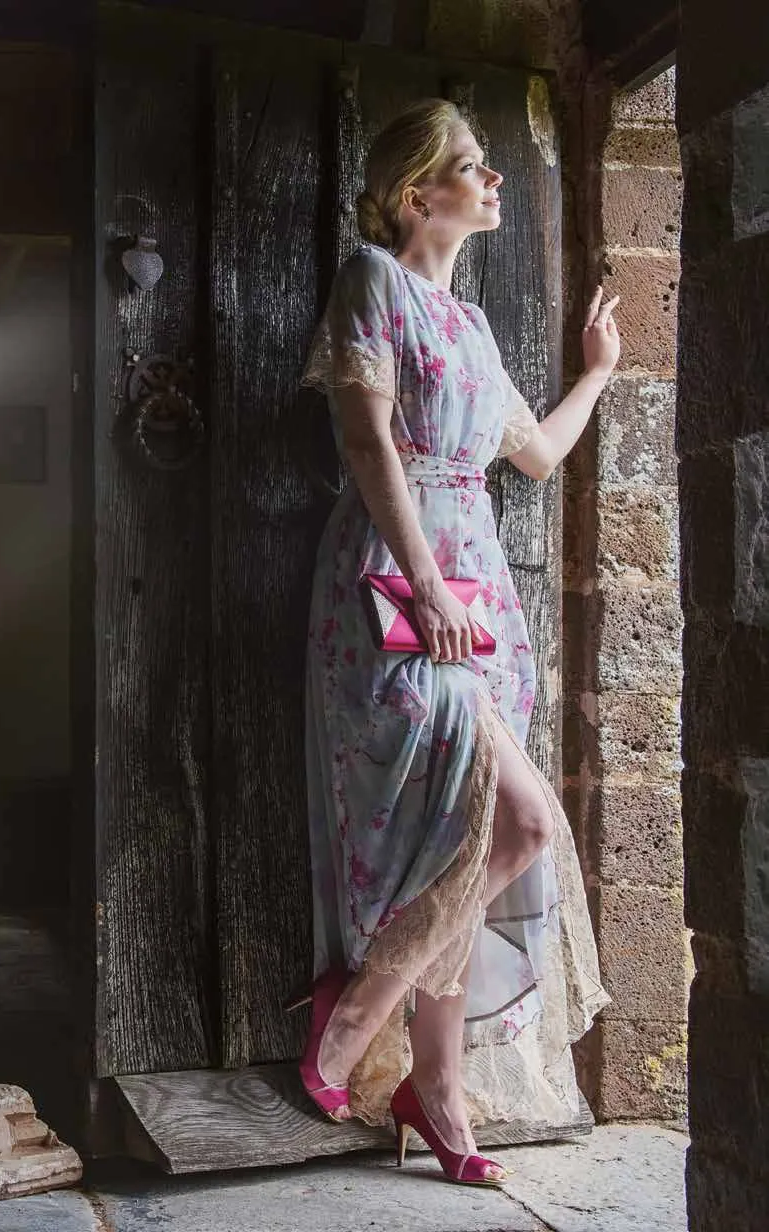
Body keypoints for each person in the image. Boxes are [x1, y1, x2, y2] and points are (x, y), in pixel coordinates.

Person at [297, 98, 616, 1188]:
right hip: (397, 584)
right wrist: (426, 583)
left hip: (481, 602)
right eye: (473, 166)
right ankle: (359, 1013)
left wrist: (598, 373)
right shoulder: (372, 281)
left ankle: (433, 1087)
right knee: (515, 821)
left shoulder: (472, 324)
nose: (493, 180)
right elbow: (365, 439)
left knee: (477, 831)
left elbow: (535, 456)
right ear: (416, 191)